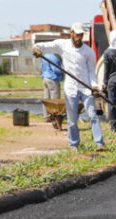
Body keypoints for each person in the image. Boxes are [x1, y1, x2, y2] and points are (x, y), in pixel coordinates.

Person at [33, 22, 106, 151]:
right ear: (71, 33)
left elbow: (91, 71)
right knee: (72, 119)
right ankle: (74, 144)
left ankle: (99, 143)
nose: (79, 37)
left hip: (86, 88)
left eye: (81, 34)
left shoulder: (88, 52)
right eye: (77, 34)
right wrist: (37, 47)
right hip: (71, 88)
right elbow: (46, 46)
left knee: (93, 115)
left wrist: (94, 86)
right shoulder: (63, 45)